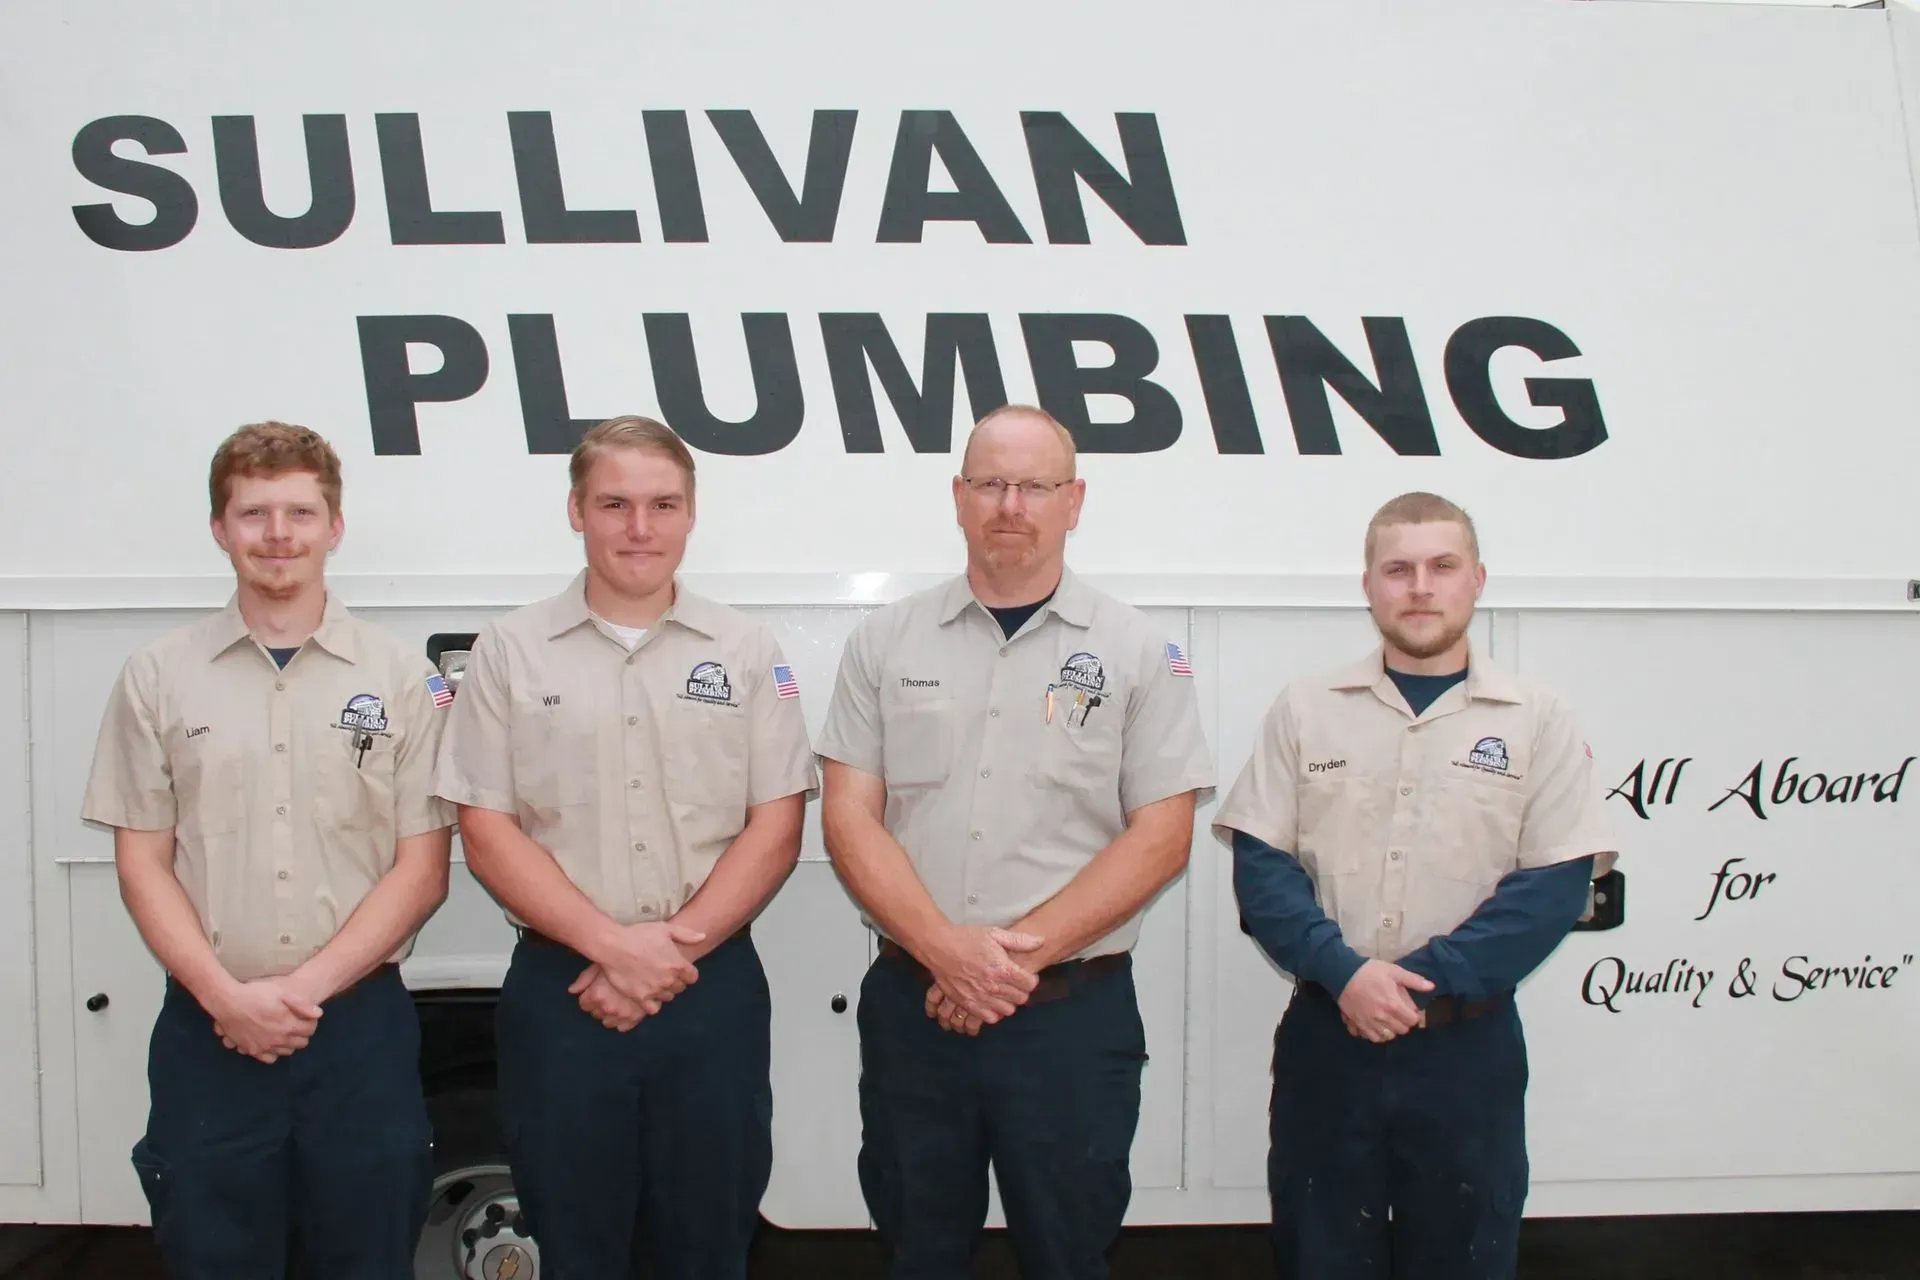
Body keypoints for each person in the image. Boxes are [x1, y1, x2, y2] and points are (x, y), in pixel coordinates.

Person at [817, 404, 1215, 1280]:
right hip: (915, 1012)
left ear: (1074, 502)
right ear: (958, 497)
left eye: (1034, 486)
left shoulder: (1136, 650)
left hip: (1070, 1023)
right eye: (991, 483)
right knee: (917, 1248)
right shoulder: (885, 640)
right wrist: (941, 950)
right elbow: (848, 815)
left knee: (1070, 1254)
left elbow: (1161, 838)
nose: (1010, 504)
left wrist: (1000, 965)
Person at [432, 414, 816, 1279]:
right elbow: (487, 831)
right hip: (563, 989)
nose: (639, 528)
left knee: (710, 1244)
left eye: (662, 504)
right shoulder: (509, 650)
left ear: (690, 514)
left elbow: (777, 822)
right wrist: (614, 949)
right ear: (577, 510)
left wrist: (666, 953)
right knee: (576, 1246)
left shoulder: (747, 650)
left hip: (709, 985)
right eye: (615, 504)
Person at [79, 421, 455, 1278]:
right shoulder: (158, 676)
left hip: (358, 1034)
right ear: (220, 529)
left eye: (299, 512)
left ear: (335, 527)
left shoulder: (399, 678)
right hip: (209, 1030)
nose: (278, 534)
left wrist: (299, 993)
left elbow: (422, 869)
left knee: (365, 1258)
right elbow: (142, 862)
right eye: (254, 514)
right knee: (213, 1256)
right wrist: (227, 998)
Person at [1212, 491, 1619, 1279]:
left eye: (1442, 567)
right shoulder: (1306, 710)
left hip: (1468, 1052)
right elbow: (1264, 872)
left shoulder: (1537, 719)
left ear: (1478, 580)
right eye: (1399, 569)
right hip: (1328, 1042)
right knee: (1318, 1254)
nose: (1420, 587)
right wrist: (1347, 976)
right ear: (1368, 585)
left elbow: (1555, 885)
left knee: (1464, 1259)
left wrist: (1410, 986)